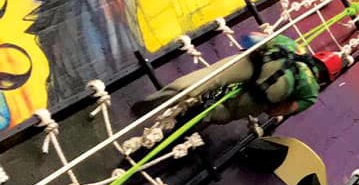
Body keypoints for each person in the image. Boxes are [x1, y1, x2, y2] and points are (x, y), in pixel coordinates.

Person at [132, 32, 341, 125]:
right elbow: (278, 111)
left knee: (207, 79)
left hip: (258, 62)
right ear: (325, 78)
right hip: (265, 93)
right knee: (223, 115)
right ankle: (200, 115)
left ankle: (154, 102)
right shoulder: (311, 92)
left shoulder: (293, 44)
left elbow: (251, 38)